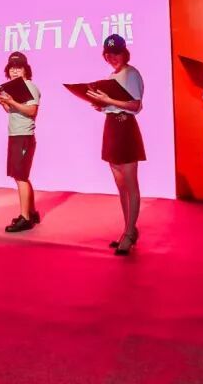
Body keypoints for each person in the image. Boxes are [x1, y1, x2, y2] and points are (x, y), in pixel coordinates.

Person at [85, 34, 144, 256]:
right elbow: (114, 104)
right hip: (111, 126)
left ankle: (129, 233)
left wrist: (109, 101)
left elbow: (135, 105)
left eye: (116, 53)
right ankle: (129, 229)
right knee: (120, 185)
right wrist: (102, 105)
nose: (112, 57)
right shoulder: (111, 76)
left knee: (130, 183)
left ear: (125, 53)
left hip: (125, 126)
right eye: (108, 54)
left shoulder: (132, 73)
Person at [0, 52, 41, 232]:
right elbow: (12, 110)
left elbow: (32, 111)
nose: (14, 71)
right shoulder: (15, 88)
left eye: (18, 68)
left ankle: (25, 218)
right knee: (21, 176)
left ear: (25, 70)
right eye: (11, 68)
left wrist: (11, 101)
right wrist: (3, 102)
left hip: (24, 136)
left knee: (21, 177)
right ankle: (32, 212)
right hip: (15, 135)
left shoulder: (30, 86)